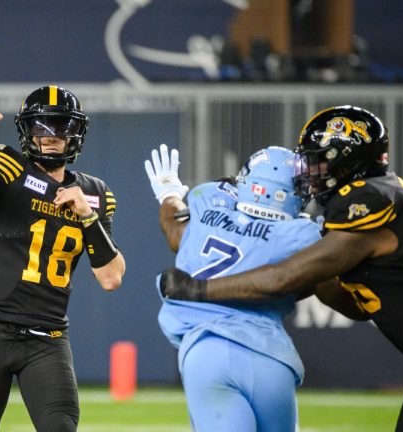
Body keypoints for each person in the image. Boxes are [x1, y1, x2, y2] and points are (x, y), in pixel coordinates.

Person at [158, 105, 403, 431]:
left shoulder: (366, 200)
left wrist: (198, 289)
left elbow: (288, 276)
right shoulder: (374, 194)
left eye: (321, 160)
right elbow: (352, 304)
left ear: (351, 161)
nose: (312, 171)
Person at [0, 83, 126, 431]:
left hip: (48, 336)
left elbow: (111, 277)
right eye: (42, 126)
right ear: (27, 130)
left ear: (76, 133)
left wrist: (87, 214)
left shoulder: (95, 193)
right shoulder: (9, 165)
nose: (52, 136)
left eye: (62, 126)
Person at [145, 143, 364, 431]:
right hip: (270, 359)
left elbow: (174, 227)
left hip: (206, 352)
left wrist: (168, 193)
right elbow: (331, 290)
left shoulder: (207, 201)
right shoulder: (302, 234)